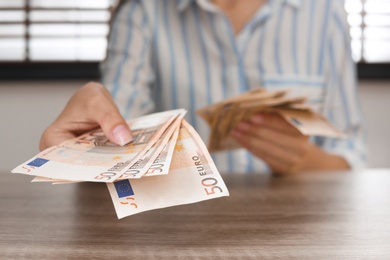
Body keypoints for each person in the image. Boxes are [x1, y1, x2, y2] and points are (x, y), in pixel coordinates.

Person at [40, 0, 366, 174]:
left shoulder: (325, 11)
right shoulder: (142, 13)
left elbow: (351, 158)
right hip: (180, 237)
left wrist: (302, 161)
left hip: (299, 237)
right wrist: (81, 147)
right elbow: (116, 149)